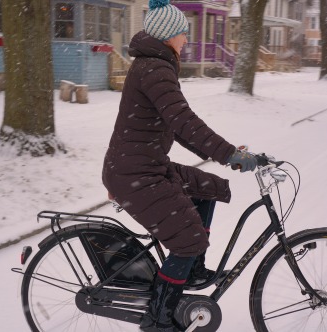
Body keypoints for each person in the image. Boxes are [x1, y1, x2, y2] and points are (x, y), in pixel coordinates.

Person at [101, 0, 257, 330]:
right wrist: (229, 154)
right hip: (135, 175)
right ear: (169, 35)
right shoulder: (154, 69)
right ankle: (160, 319)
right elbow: (185, 121)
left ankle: (193, 269)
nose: (186, 39)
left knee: (210, 188)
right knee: (187, 238)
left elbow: (175, 124)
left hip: (147, 168)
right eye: (183, 33)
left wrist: (226, 156)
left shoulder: (155, 65)